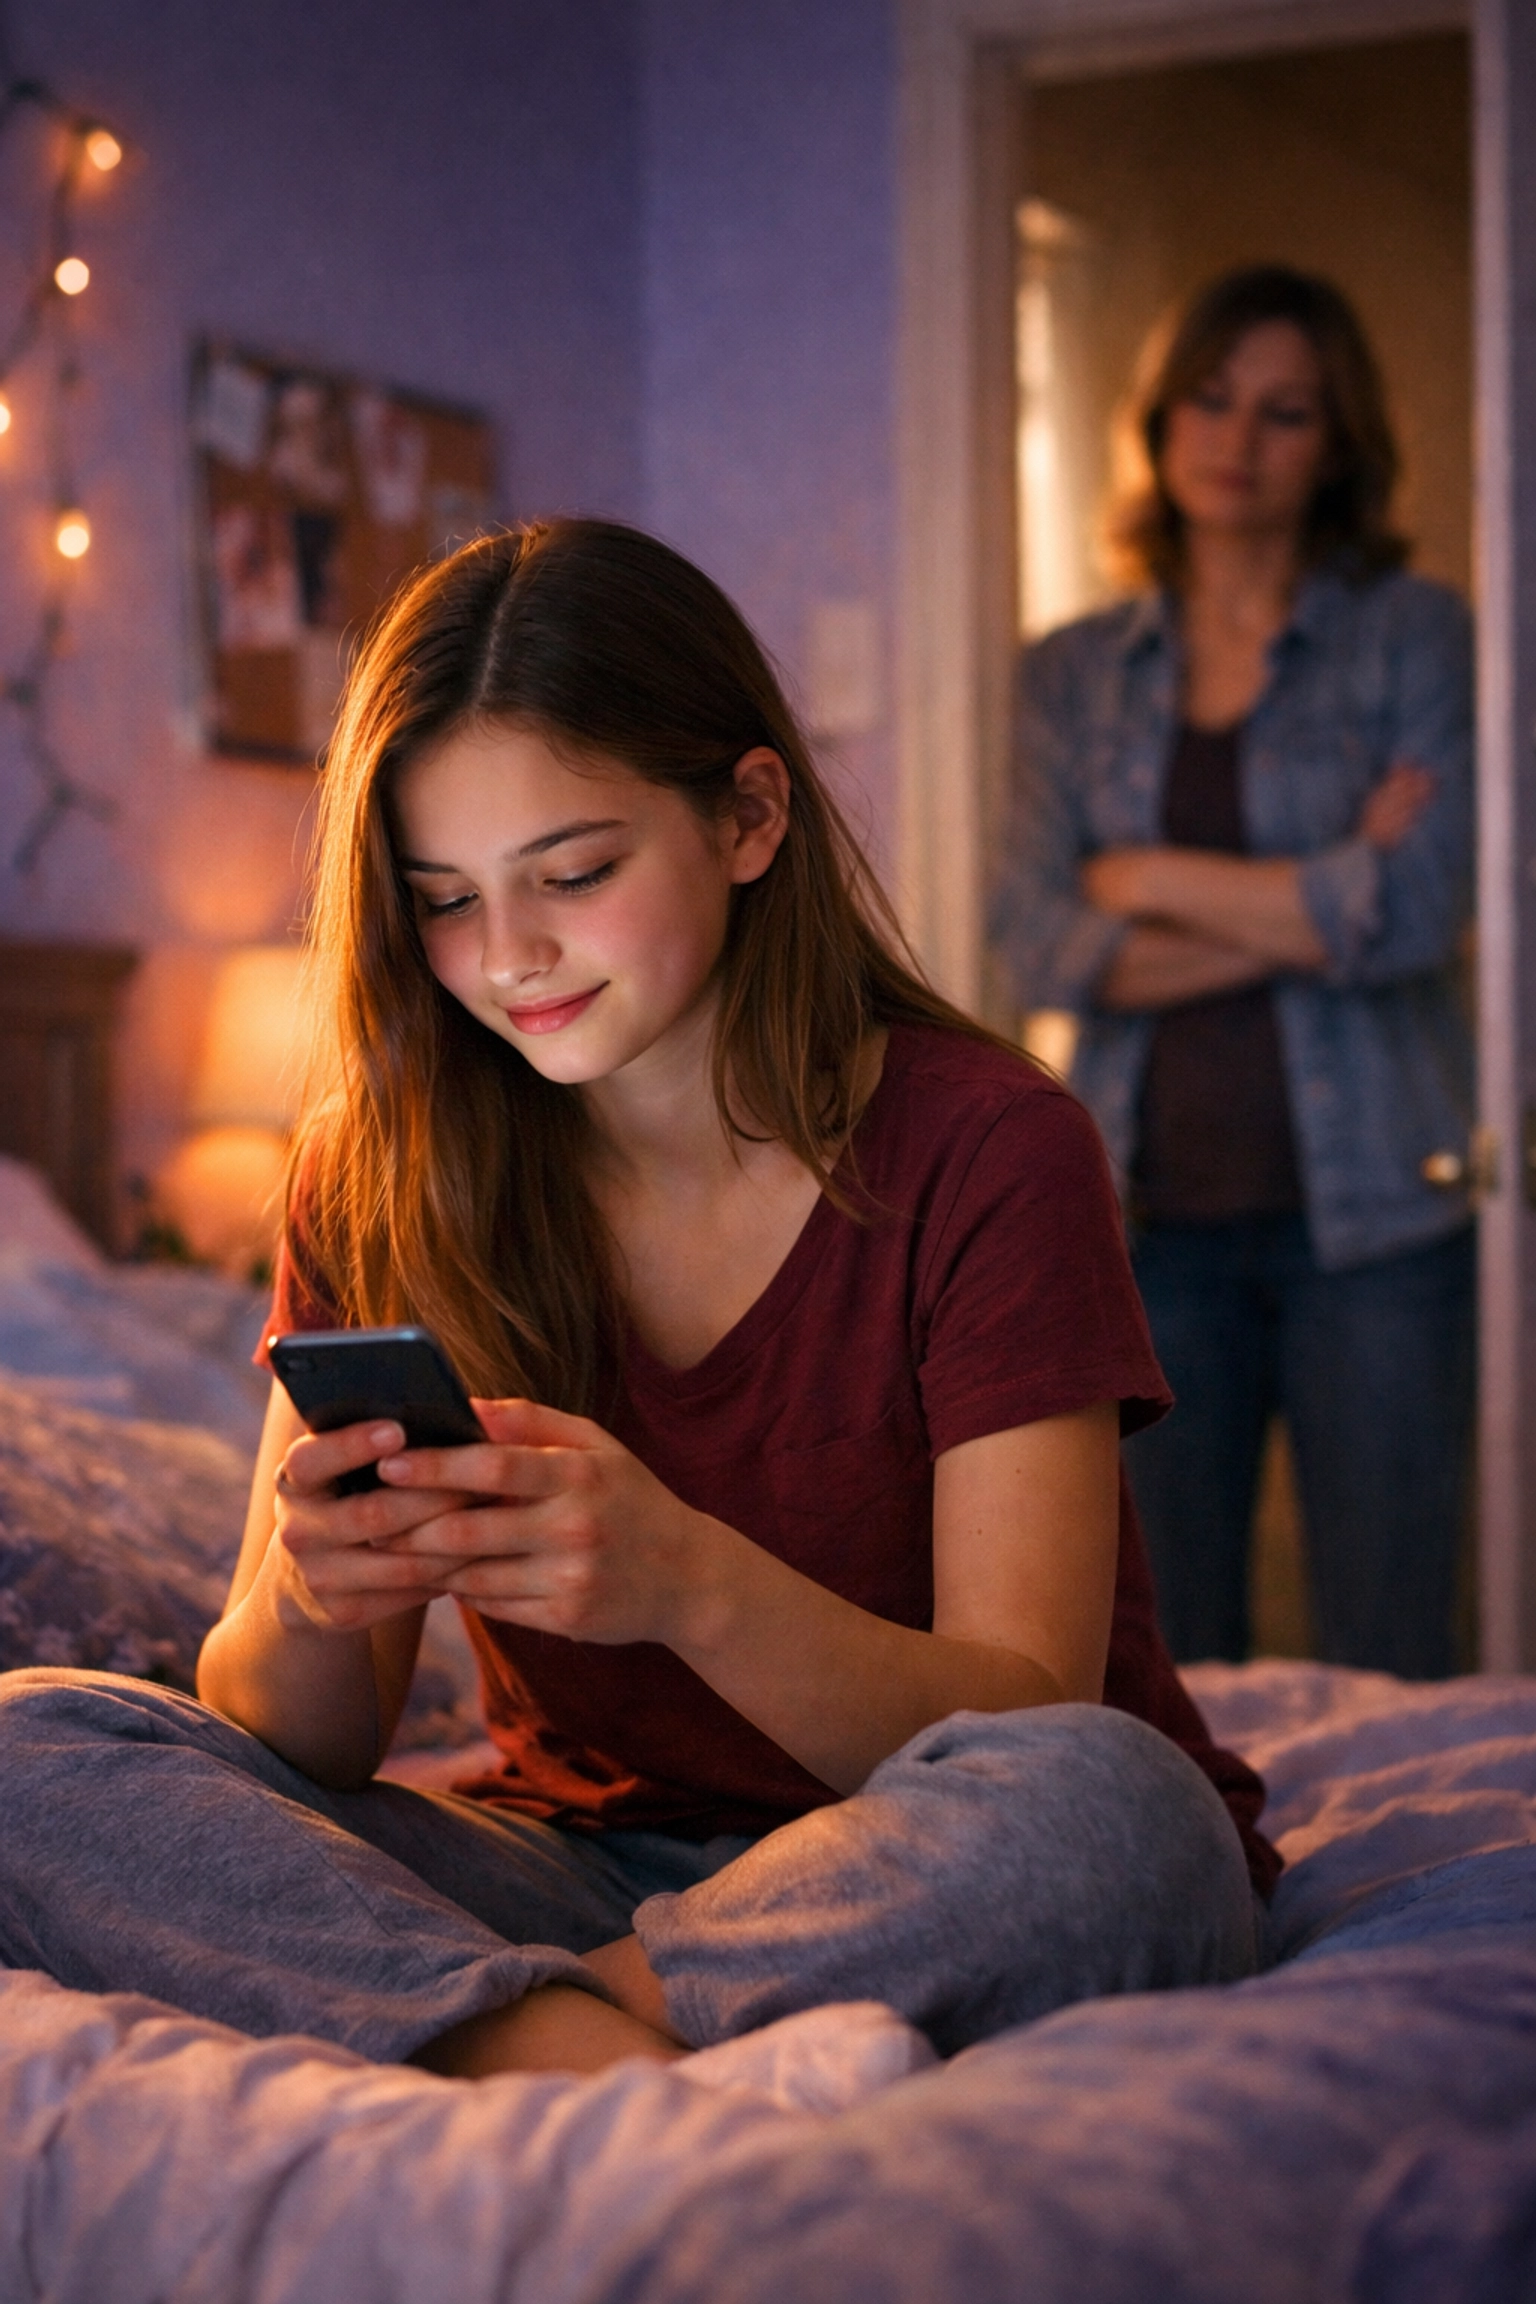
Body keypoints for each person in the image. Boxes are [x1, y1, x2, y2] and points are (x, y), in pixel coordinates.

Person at [0, 519, 1276, 2079]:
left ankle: (524, 2031)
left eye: (575, 873)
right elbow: (310, 1739)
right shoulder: (385, 1169)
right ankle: (585, 2046)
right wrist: (318, 1595)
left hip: (922, 1849)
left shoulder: (992, 1147)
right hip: (576, 1871)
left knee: (1116, 1819)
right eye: (444, 901)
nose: (508, 958)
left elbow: (1021, 1720)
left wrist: (682, 1581)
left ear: (749, 818)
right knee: (30, 1743)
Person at [993, 265, 1475, 1679]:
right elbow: (1035, 936)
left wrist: (1139, 879)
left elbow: (1423, 911)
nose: (1236, 439)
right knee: (1161, 1650)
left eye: (1284, 413)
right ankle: (1206, 1901)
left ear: (1338, 446)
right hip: (1143, 1219)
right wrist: (1328, 888)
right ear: (1158, 416)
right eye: (1210, 399)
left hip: (1381, 1220)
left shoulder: (1414, 635)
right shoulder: (1069, 673)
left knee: (1390, 1639)